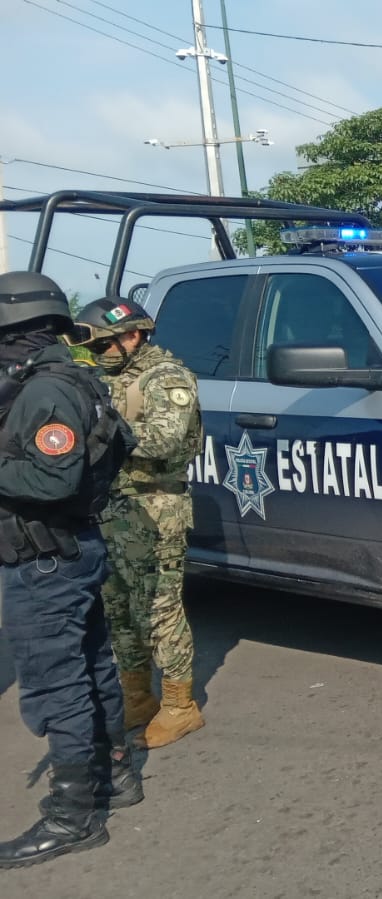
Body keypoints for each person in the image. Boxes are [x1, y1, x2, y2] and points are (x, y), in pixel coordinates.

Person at [0, 272, 140, 868]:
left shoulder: (46, 392)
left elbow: (53, 480)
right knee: (91, 668)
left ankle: (73, 816)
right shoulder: (67, 378)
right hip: (68, 552)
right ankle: (114, 776)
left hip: (45, 561)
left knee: (58, 687)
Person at [69, 298, 205, 748]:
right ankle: (138, 695)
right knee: (119, 609)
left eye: (104, 344)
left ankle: (180, 706)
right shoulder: (108, 377)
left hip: (155, 508)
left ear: (133, 335)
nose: (99, 353)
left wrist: (102, 435)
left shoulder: (167, 377)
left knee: (159, 609)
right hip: (111, 507)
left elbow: (166, 440)